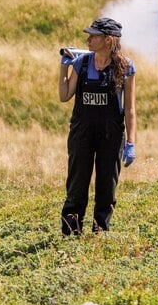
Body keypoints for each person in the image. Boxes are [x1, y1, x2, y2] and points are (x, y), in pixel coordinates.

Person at [58, 17, 136, 235]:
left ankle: (100, 232)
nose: (89, 39)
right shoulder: (81, 63)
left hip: (111, 135)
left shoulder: (126, 68)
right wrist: (63, 69)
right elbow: (64, 95)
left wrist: (131, 142)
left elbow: (129, 109)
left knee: (106, 187)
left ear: (109, 40)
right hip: (81, 133)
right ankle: (71, 233)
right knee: (76, 184)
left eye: (94, 35)